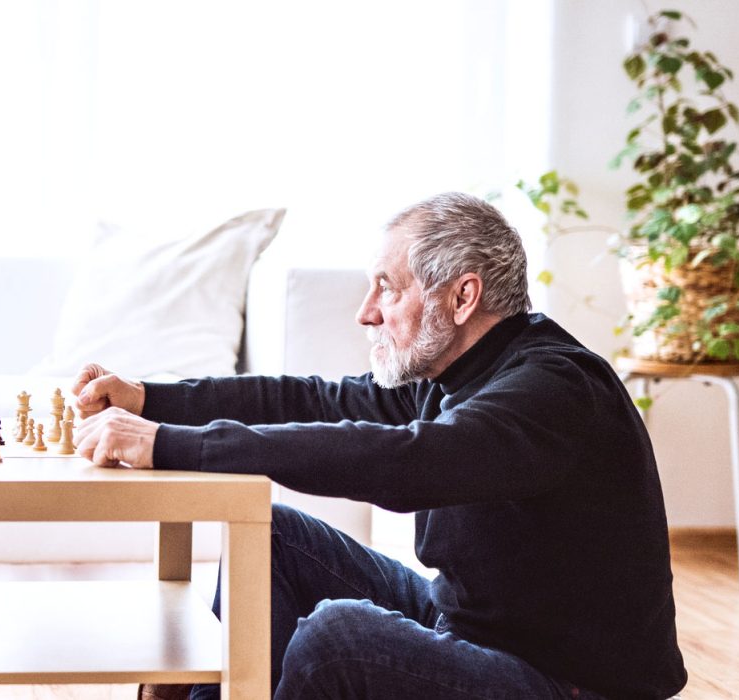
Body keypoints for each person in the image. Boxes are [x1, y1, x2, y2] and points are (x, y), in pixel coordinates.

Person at [72, 193, 686, 699]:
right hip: (478, 630)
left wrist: (170, 445)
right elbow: (312, 401)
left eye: (387, 288)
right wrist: (151, 400)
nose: (366, 313)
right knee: (272, 536)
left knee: (338, 637)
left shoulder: (554, 389)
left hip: (567, 683)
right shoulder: (453, 373)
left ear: (462, 297)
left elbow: (403, 462)